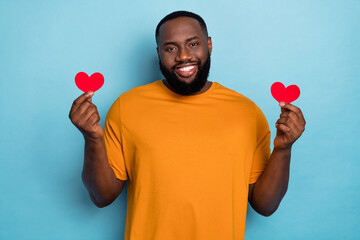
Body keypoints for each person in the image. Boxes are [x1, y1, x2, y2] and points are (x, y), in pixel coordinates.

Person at [69, 11, 306, 240]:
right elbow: (101, 196)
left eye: (193, 44)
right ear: (159, 53)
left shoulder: (247, 112)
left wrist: (284, 149)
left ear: (209, 45)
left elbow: (265, 205)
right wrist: (92, 139)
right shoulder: (126, 107)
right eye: (170, 48)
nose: (183, 56)